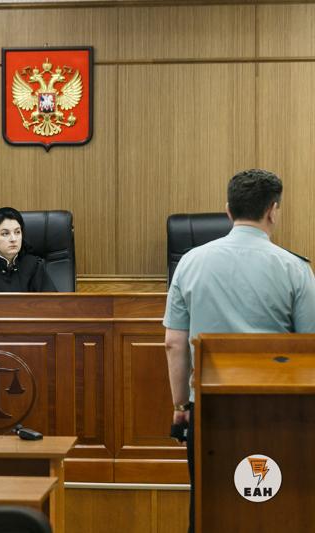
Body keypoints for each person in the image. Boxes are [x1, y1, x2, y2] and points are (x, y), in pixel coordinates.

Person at [163, 168, 315, 533]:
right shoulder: (295, 269)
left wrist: (182, 407)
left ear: (228, 211)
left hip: (209, 409)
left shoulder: (190, 262)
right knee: (281, 505)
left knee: (209, 505)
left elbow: (174, 343)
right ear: (272, 211)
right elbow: (310, 348)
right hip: (282, 412)